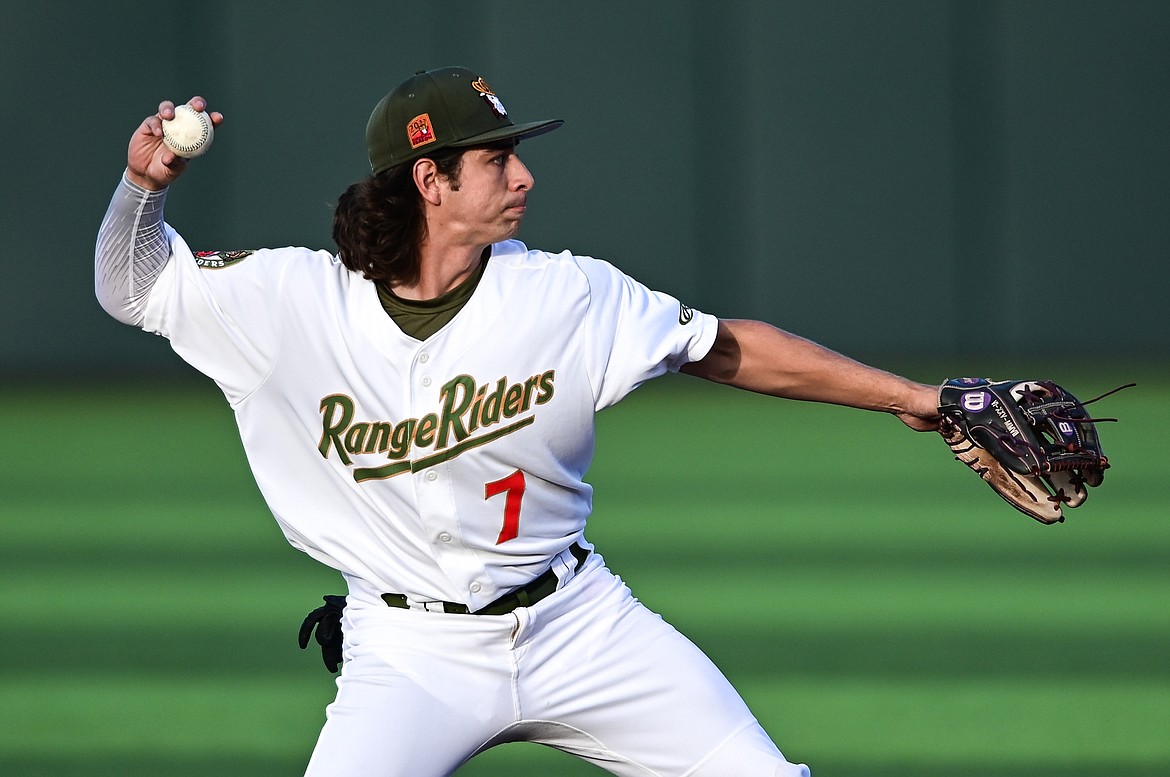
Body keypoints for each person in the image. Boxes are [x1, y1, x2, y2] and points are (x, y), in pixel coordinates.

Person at [96, 66, 940, 777]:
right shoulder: (286, 301)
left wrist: (916, 400)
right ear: (430, 180)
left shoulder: (565, 292)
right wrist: (144, 186)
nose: (523, 176)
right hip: (407, 650)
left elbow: (725, 348)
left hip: (582, 625)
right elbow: (131, 287)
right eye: (497, 160)